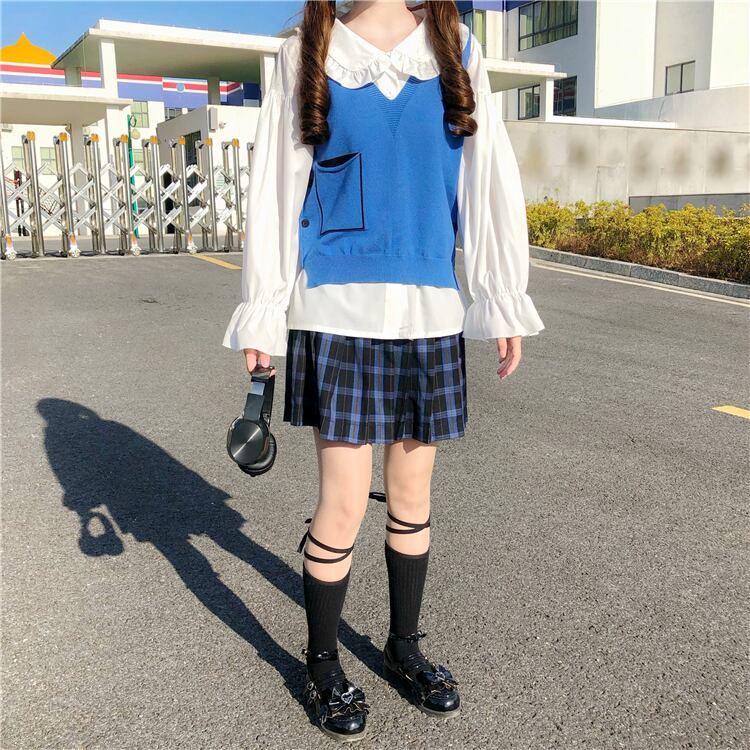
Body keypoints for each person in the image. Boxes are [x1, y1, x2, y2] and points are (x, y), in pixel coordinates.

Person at [223, 0, 545, 742]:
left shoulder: (456, 47)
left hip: (429, 312)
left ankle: (404, 648)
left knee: (412, 497)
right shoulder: (307, 51)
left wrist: (499, 296)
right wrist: (263, 310)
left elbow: (486, 177)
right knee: (341, 504)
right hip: (336, 311)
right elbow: (276, 188)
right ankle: (322, 662)